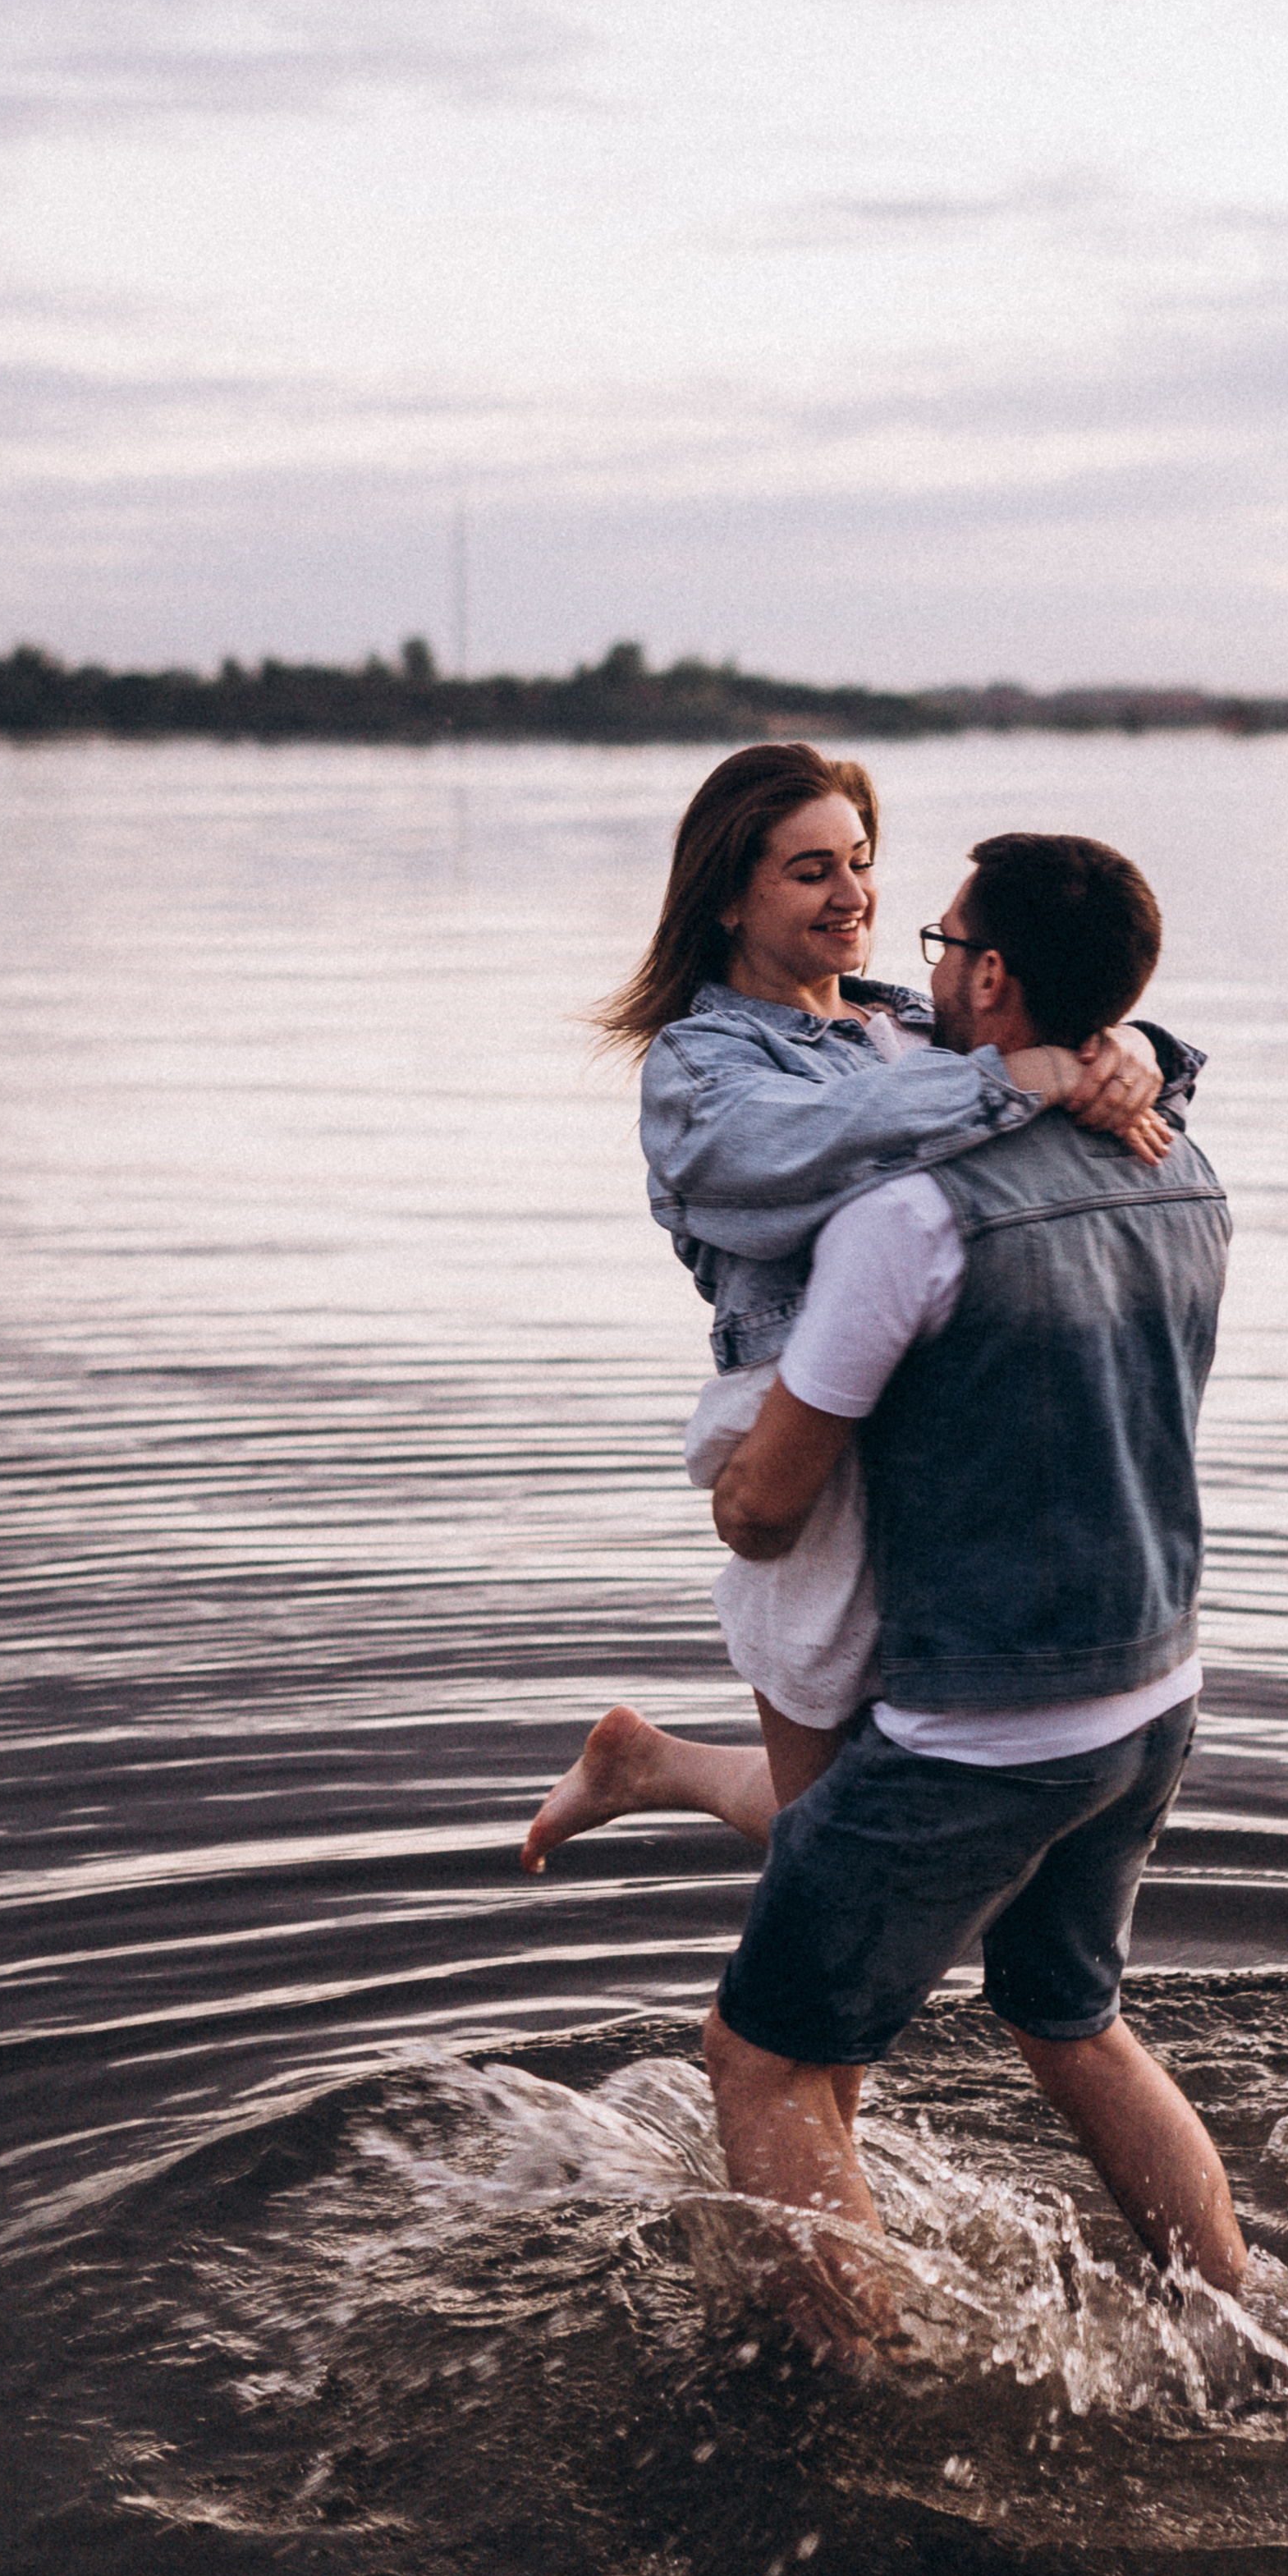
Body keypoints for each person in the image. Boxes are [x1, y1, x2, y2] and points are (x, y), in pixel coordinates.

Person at [694, 831, 1258, 2358]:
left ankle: (854, 2405)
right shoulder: (1183, 1168)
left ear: (991, 978)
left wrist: (735, 1462)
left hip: (987, 1726)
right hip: (1155, 1692)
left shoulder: (910, 1223)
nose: (920, 966)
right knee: (1066, 2018)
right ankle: (1242, 2325)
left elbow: (767, 1508)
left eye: (941, 943)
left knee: (759, 2060)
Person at [520, 744, 1198, 1871]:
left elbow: (1079, 1077)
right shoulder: (707, 1065)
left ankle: (655, 1770)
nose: (853, 897)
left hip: (931, 1417)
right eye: (809, 872)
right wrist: (1017, 1080)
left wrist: (1134, 1050)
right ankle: (786, 2037)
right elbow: (797, 1156)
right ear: (730, 897)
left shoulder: (914, 1022)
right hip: (802, 1418)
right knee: (836, 1835)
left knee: (882, 1804)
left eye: (861, 861)